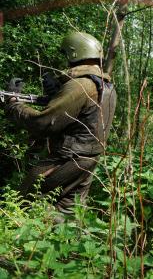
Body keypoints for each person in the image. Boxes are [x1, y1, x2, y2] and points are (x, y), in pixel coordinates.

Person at [3, 31, 116, 216]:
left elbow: (44, 123)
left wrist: (14, 105)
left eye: (66, 55)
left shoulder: (80, 85)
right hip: (89, 159)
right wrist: (57, 95)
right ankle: (68, 243)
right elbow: (85, 117)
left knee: (23, 203)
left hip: (66, 158)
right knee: (69, 211)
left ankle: (19, 239)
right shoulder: (105, 86)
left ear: (74, 53)